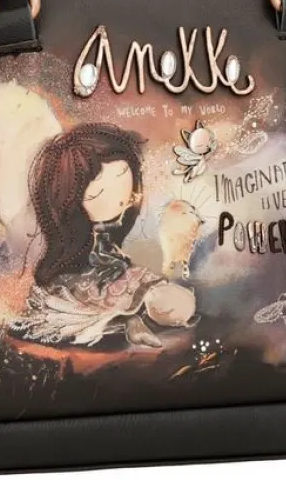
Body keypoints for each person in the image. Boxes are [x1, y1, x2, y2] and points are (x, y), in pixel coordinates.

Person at [12, 124, 196, 348]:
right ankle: (130, 323)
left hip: (113, 277)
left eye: (122, 177)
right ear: (69, 201)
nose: (120, 200)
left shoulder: (110, 234)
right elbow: (96, 266)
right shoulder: (74, 264)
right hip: (89, 283)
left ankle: (135, 319)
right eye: (98, 194)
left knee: (171, 298)